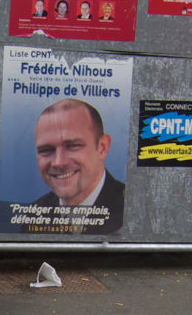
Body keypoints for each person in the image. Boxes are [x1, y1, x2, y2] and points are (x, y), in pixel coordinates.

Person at [32, 98, 124, 232]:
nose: (59, 162)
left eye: (73, 146)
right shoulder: (33, 214)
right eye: (46, 150)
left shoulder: (134, 211)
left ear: (102, 147)